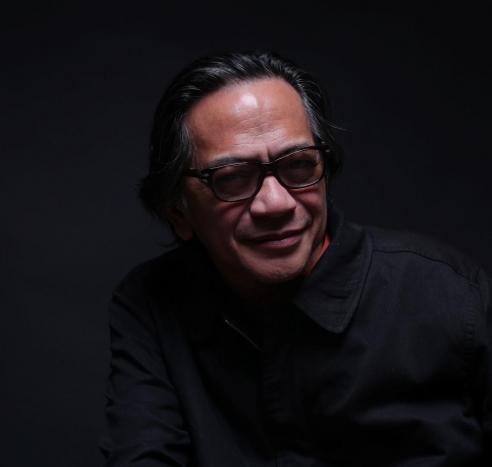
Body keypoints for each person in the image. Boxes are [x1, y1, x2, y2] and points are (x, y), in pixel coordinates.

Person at [100, 50, 491, 466]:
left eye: (299, 165)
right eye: (232, 178)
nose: (276, 203)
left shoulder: (448, 294)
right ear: (179, 213)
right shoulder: (152, 303)